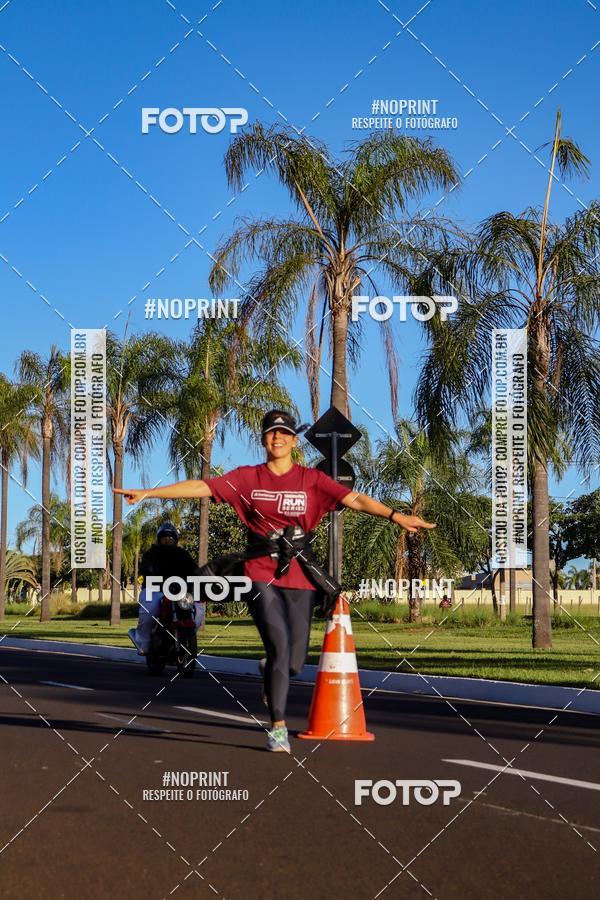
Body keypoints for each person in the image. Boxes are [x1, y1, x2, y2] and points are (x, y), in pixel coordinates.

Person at [115, 409, 435, 753]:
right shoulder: (248, 478)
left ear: (294, 441)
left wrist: (396, 515)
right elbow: (203, 487)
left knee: (294, 662)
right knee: (280, 647)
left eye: (284, 432)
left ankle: (272, 669)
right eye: (271, 432)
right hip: (259, 572)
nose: (277, 437)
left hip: (300, 572)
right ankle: (278, 726)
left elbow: (352, 499)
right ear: (263, 439)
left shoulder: (312, 480)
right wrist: (150, 492)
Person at [128, 521, 202, 655]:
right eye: (164, 538)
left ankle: (187, 637)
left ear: (175, 539)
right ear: (159, 539)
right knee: (149, 610)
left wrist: (199, 579)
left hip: (179, 592)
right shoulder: (151, 553)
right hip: (155, 590)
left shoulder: (183, 554)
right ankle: (142, 641)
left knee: (198, 609)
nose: (167, 540)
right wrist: (148, 571)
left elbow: (194, 570)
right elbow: (145, 567)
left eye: (171, 538)